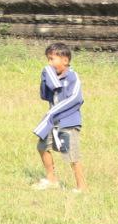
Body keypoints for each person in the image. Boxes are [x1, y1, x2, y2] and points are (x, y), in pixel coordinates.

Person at [33, 42, 86, 192]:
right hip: (52, 121)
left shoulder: (72, 77)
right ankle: (51, 179)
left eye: (52, 59)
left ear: (65, 60)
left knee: (71, 154)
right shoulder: (53, 77)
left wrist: (54, 111)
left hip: (68, 121)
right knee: (42, 147)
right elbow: (45, 96)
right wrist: (44, 80)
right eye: (48, 59)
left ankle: (82, 186)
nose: (49, 63)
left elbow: (76, 98)